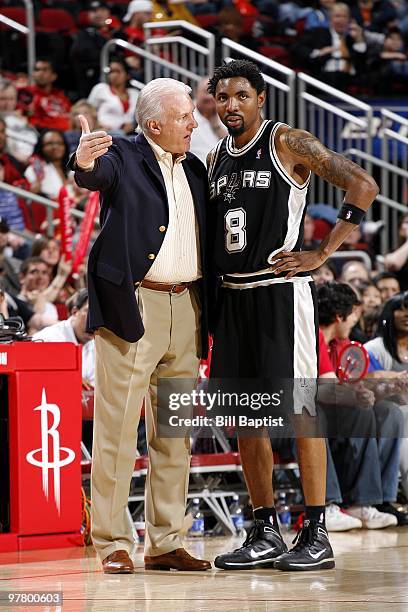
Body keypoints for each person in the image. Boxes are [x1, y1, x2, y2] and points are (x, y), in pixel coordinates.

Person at [206, 59, 379, 571]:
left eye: (241, 95)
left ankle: (317, 529)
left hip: (281, 293)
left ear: (262, 99)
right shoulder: (216, 157)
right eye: (223, 97)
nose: (230, 105)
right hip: (232, 297)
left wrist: (323, 254)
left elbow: (363, 185)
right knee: (247, 418)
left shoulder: (288, 142)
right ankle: (264, 530)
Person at [71, 78, 211, 573]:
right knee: (116, 431)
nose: (194, 123)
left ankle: (166, 539)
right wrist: (83, 160)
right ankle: (111, 540)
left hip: (187, 306)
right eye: (184, 117)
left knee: (174, 435)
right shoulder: (124, 155)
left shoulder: (195, 167)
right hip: (135, 305)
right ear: (154, 124)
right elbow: (94, 176)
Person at [17, 59, 72, 132]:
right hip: (40, 133)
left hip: (66, 134)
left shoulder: (61, 96)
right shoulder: (25, 93)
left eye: (45, 70)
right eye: (37, 70)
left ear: (54, 76)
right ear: (33, 74)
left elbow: (70, 116)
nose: (40, 73)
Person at [88, 59, 138, 133]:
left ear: (127, 75)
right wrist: (97, 125)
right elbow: (88, 111)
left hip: (129, 134)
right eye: (111, 72)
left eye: (117, 71)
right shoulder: (100, 88)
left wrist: (133, 126)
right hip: (104, 132)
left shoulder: (135, 93)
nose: (114, 75)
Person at [189, 78, 227, 164]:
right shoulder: (185, 113)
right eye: (206, 92)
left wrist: (216, 127)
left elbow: (235, 146)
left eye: (214, 93)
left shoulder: (227, 113)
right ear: (196, 93)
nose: (210, 97)